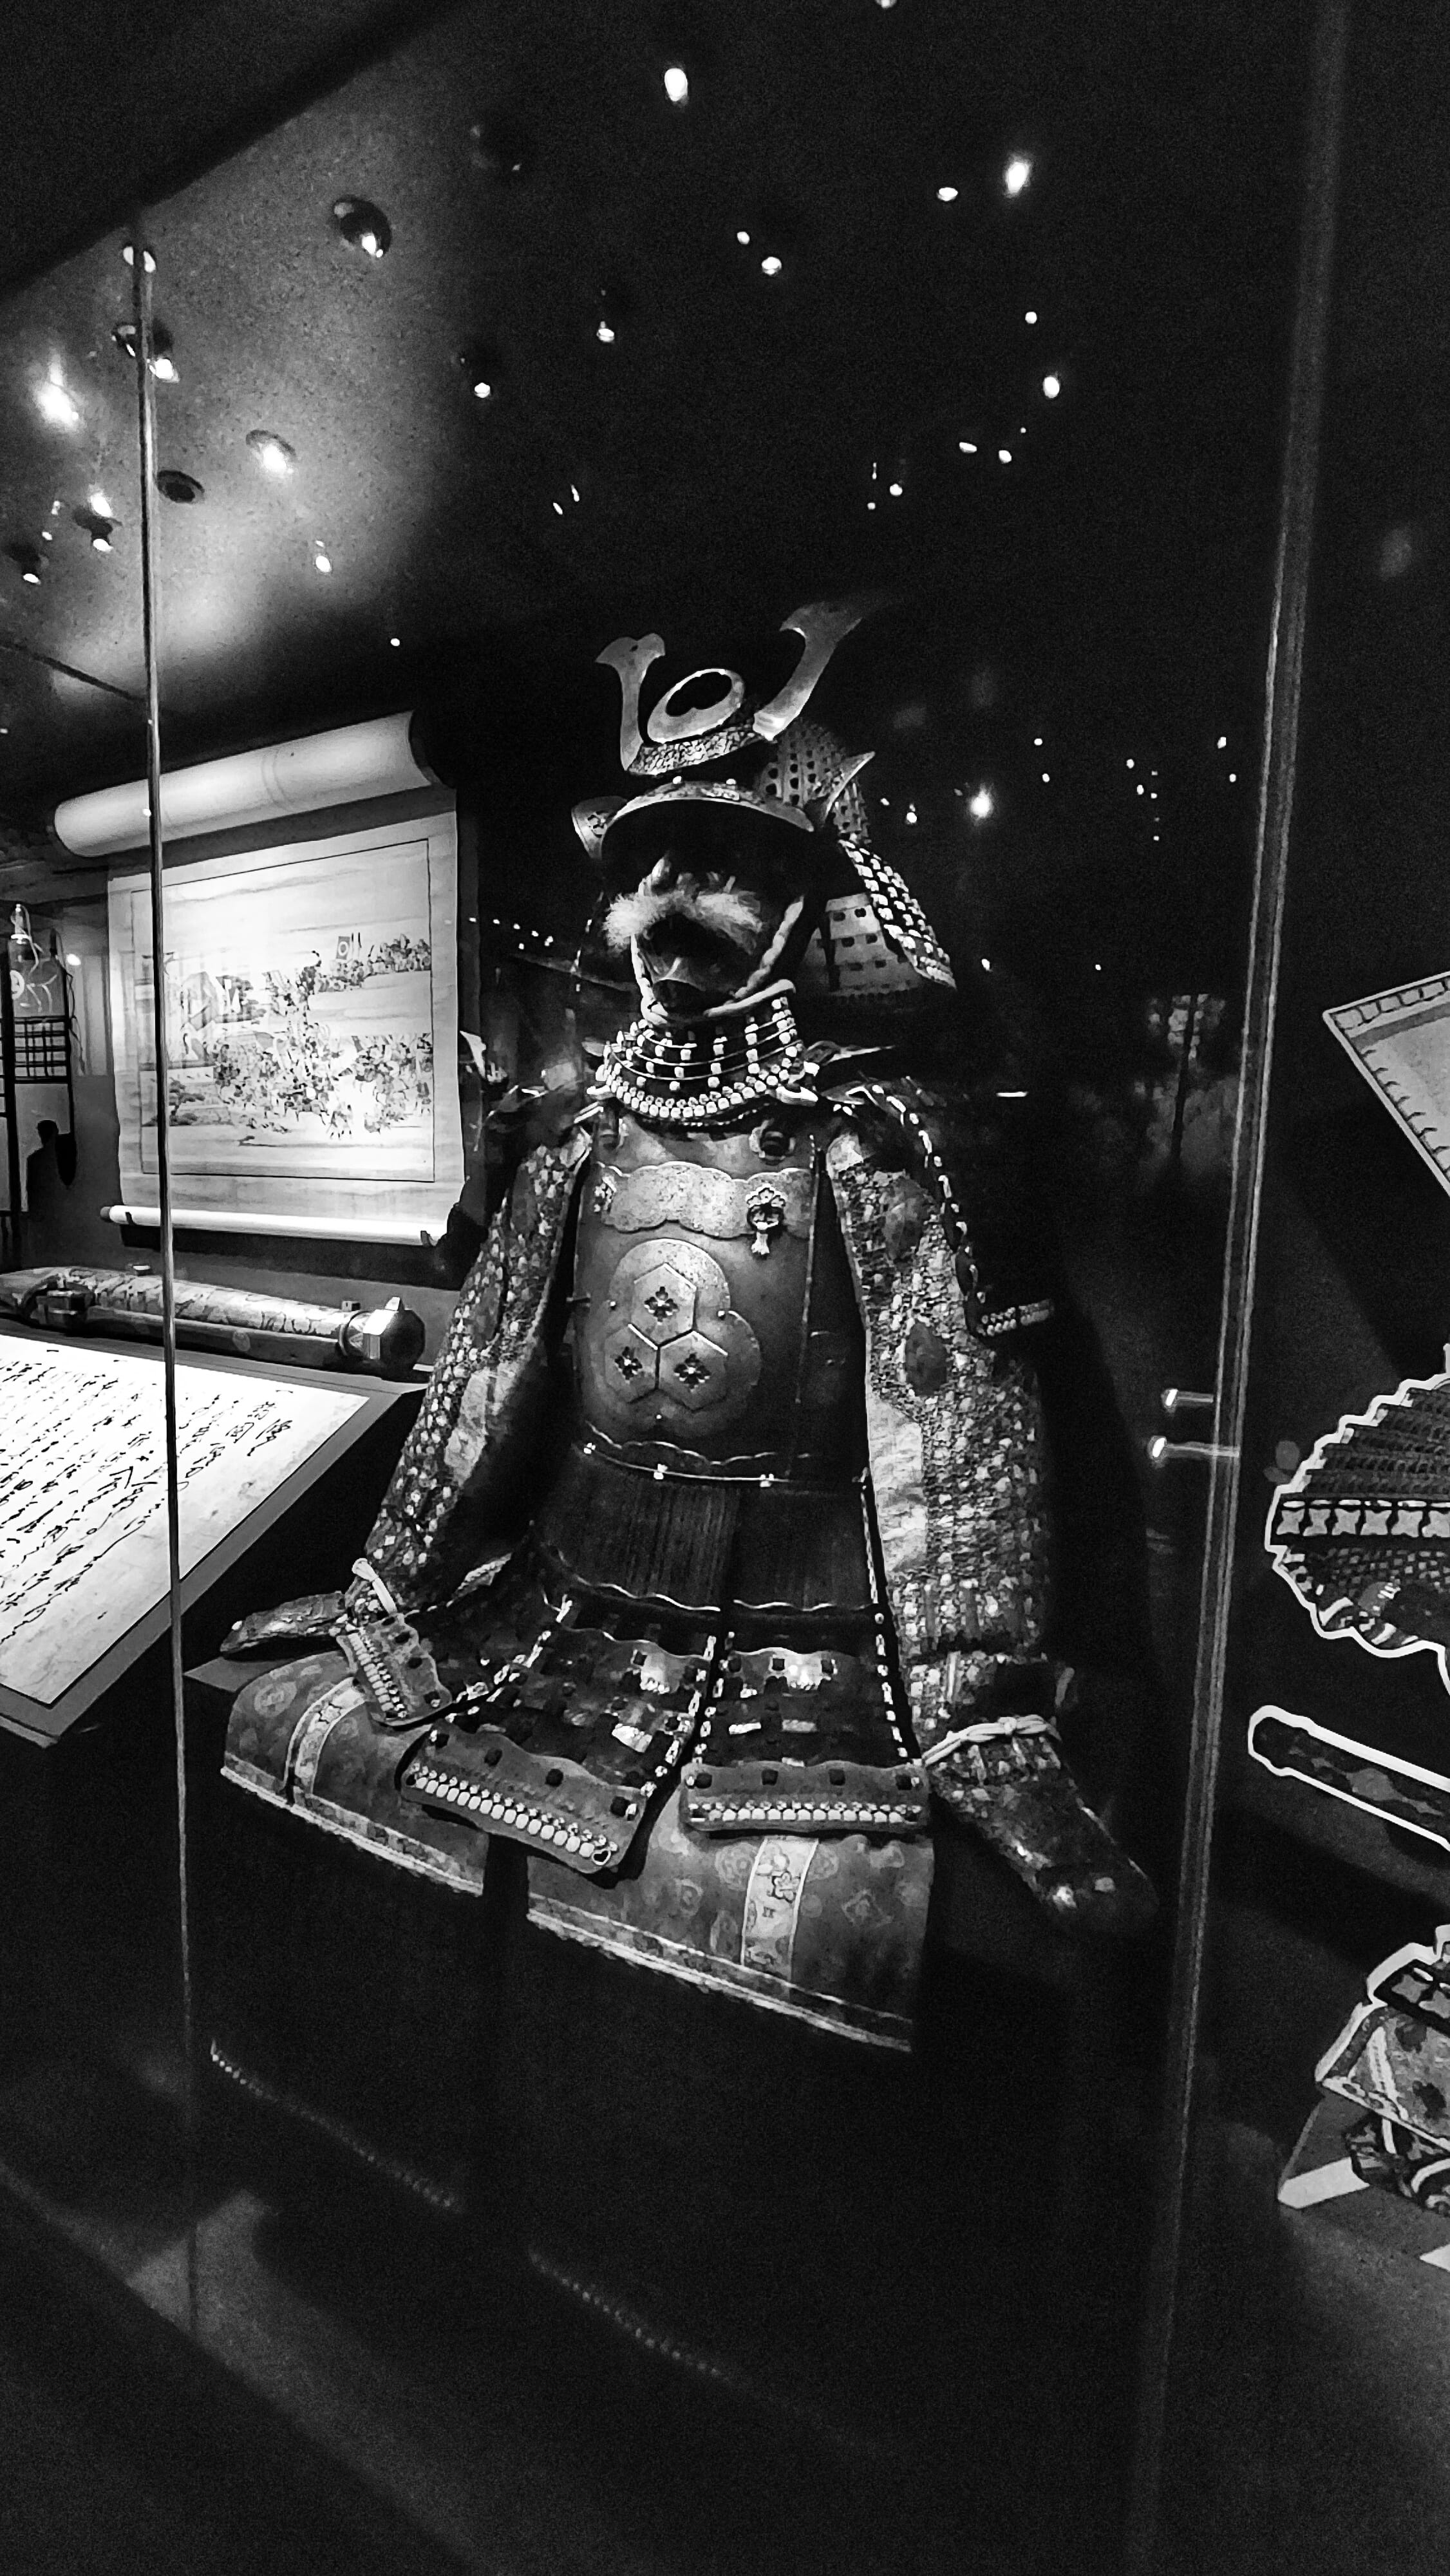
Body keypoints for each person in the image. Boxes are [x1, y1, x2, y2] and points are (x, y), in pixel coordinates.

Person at [225, 598, 1153, 2048]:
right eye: (651, 866)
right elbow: (480, 1391)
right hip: (566, 1601)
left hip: (816, 1649)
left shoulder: (879, 1150)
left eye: (714, 864)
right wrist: (387, 1593)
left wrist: (979, 1711)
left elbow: (953, 1449)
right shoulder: (579, 1145)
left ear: (805, 897)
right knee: (302, 1731)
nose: (668, 896)